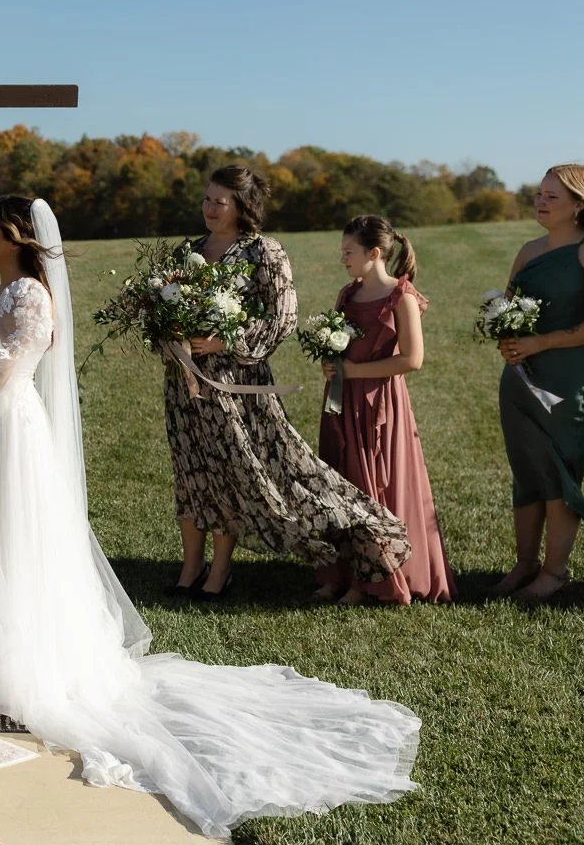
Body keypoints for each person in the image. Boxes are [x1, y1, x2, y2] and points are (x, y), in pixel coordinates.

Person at [0, 195, 420, 838]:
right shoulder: (2, 287)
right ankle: (0, 647)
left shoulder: (28, 294)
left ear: (17, 238)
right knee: (1, 538)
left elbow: (10, 365)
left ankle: (33, 665)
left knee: (20, 537)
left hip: (6, 426)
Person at [164, 165, 409, 598]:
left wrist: (225, 341)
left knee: (232, 471)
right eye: (206, 200)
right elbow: (162, 310)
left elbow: (283, 317)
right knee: (189, 469)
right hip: (184, 380)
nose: (209, 208)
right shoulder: (187, 252)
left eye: (219, 202)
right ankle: (188, 571)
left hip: (236, 382)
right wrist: (170, 336)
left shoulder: (265, 251)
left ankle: (220, 573)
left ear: (242, 206)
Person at [493, 164, 584, 602]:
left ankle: (555, 572)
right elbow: (506, 309)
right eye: (539, 193)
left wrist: (541, 341)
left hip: (572, 380)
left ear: (579, 205)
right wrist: (507, 341)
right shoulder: (529, 251)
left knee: (559, 471)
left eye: (552, 196)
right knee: (526, 471)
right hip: (521, 378)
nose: (540, 201)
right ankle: (525, 563)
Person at [318, 216, 454, 604]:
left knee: (373, 483)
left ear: (374, 253)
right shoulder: (347, 294)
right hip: (342, 399)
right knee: (341, 481)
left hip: (380, 402)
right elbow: (339, 345)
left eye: (349, 251)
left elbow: (413, 359)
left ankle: (374, 580)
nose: (342, 258)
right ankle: (338, 574)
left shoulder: (402, 296)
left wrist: (358, 371)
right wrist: (331, 363)